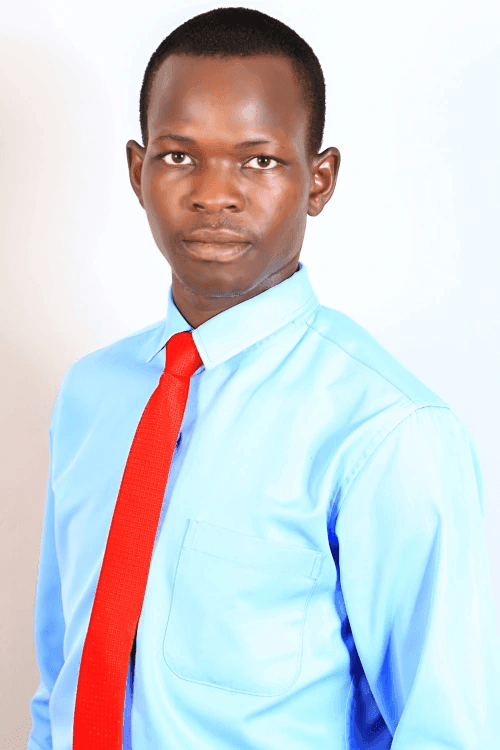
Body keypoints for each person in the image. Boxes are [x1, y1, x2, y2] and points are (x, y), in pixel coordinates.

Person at [28, 7, 500, 750]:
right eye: (180, 156)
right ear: (136, 170)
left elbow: (446, 729)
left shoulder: (387, 431)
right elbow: (62, 674)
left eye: (259, 160)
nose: (215, 194)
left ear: (319, 180)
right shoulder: (91, 395)